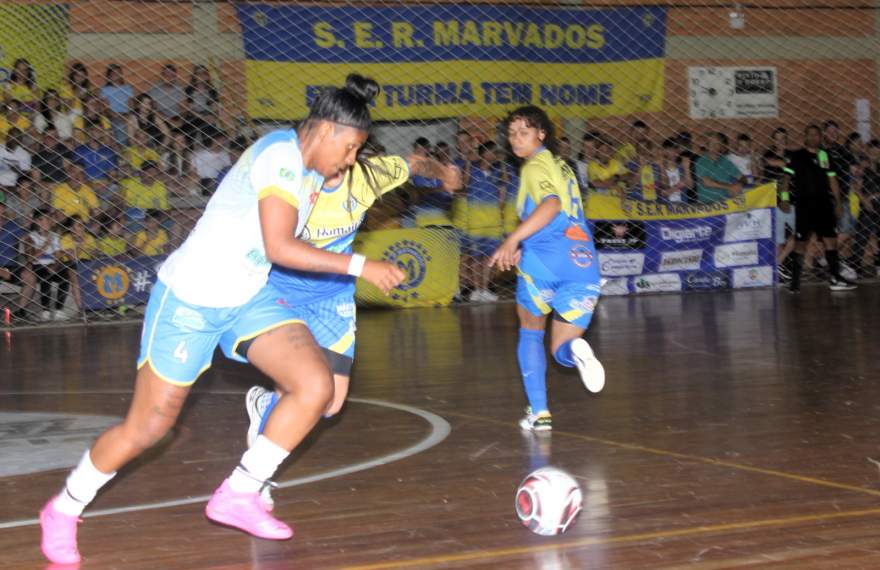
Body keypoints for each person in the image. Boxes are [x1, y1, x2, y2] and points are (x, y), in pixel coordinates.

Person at [38, 73, 404, 565]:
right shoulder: (279, 156)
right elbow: (280, 246)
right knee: (148, 428)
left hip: (246, 297)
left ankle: (241, 491)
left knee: (316, 387)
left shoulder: (315, 173)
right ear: (325, 131)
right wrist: (362, 266)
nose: (352, 159)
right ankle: (63, 509)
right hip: (190, 300)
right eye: (352, 146)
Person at [235, 141, 459, 509]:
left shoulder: (368, 176)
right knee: (297, 387)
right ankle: (256, 479)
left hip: (332, 297)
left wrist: (444, 175)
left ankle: (264, 407)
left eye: (351, 151)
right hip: (282, 291)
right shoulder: (295, 179)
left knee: (331, 404)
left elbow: (416, 162)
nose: (341, 159)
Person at [489, 105, 605, 432]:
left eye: (523, 132)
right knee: (560, 350)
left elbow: (551, 205)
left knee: (530, 332)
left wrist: (513, 240)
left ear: (542, 134)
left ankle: (540, 412)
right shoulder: (563, 166)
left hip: (544, 262)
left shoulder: (534, 167)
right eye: (511, 134)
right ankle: (576, 351)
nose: (515, 139)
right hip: (583, 262)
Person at [781, 124, 856, 292]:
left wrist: (837, 202)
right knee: (801, 244)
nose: (814, 137)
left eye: (817, 135)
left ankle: (836, 278)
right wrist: (784, 199)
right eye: (810, 134)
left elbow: (832, 179)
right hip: (804, 205)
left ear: (820, 137)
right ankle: (794, 283)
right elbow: (785, 179)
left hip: (824, 205)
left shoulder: (825, 155)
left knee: (831, 241)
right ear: (805, 137)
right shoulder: (797, 156)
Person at [463, 141, 504, 302]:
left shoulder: (497, 172)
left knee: (488, 258)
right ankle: (476, 289)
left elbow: (501, 195)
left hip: (493, 222)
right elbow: (464, 183)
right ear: (484, 153)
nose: (494, 155)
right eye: (492, 152)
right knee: (475, 257)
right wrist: (467, 160)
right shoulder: (472, 170)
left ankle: (484, 289)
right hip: (475, 221)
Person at [763, 127, 797, 282]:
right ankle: (779, 271)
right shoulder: (767, 155)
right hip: (775, 203)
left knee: (800, 235)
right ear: (773, 140)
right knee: (779, 240)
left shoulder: (793, 155)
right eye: (778, 138)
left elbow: (790, 174)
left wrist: (782, 163)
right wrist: (783, 164)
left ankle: (776, 265)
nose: (781, 141)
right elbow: (768, 168)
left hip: (793, 202)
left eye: (784, 138)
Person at [27, 208, 69, 321]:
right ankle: (45, 311)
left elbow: (58, 255)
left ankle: (59, 310)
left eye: (49, 219)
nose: (48, 222)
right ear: (37, 221)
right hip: (38, 265)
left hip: (52, 265)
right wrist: (45, 245)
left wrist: (54, 266)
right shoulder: (31, 236)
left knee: (65, 276)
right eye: (44, 219)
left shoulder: (54, 235)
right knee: (46, 277)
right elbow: (31, 257)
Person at [0, 196, 37, 319]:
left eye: (2, 211)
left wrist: (29, 259)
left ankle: (20, 311)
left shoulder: (12, 225)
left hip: (9, 266)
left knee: (30, 277)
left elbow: (28, 240)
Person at [695, 132, 744, 203]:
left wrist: (739, 184)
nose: (712, 145)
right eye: (710, 142)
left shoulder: (725, 161)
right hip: (707, 203)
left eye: (716, 143)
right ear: (707, 145)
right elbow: (707, 182)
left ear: (722, 146)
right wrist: (730, 187)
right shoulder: (700, 161)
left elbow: (742, 177)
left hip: (726, 201)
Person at [658, 137, 691, 203]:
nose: (674, 153)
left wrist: (687, 168)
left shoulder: (681, 167)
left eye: (676, 150)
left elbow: (690, 186)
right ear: (664, 151)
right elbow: (663, 189)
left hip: (682, 205)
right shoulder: (657, 168)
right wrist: (677, 187)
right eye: (671, 150)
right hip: (666, 206)